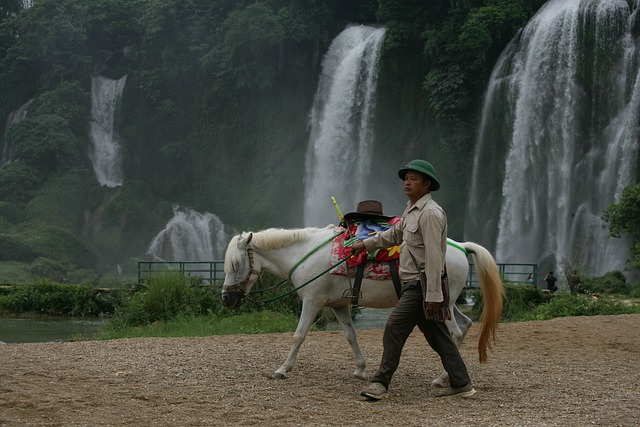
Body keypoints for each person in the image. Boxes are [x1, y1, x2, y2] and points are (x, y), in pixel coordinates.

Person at [350, 159, 476, 400]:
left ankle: (380, 382)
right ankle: (462, 383)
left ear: (427, 185)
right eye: (405, 178)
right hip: (412, 283)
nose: (407, 182)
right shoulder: (411, 209)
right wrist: (365, 244)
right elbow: (394, 235)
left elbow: (434, 256)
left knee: (393, 328)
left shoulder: (430, 213)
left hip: (421, 284)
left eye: (413, 179)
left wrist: (433, 295)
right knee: (439, 338)